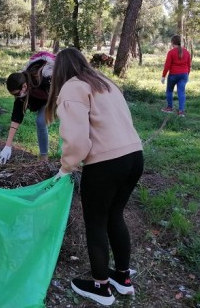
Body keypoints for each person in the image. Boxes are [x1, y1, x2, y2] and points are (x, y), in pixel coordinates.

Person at [45, 48, 144, 306]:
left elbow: (76, 138)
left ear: (60, 72)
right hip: (134, 156)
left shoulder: (72, 88)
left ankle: (101, 287)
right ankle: (122, 279)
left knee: (96, 223)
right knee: (115, 215)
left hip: (106, 163)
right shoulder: (103, 81)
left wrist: (66, 166)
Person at [0, 51, 55, 164]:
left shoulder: (44, 79)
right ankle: (44, 157)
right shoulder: (23, 91)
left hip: (55, 95)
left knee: (42, 121)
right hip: (43, 99)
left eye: (16, 94)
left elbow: (59, 91)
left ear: (24, 86)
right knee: (40, 121)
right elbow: (16, 118)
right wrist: (8, 145)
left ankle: (50, 155)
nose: (16, 97)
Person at [160, 35, 191, 117]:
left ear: (172, 42)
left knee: (169, 91)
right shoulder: (187, 52)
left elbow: (167, 66)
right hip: (184, 75)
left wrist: (163, 76)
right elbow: (189, 65)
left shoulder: (171, 52)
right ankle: (181, 112)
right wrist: (187, 75)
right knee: (181, 92)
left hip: (173, 75)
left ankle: (169, 108)